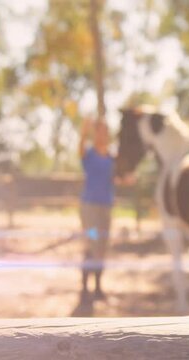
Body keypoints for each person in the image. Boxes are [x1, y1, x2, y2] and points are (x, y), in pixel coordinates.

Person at [79, 119, 114, 300]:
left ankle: (98, 288)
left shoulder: (111, 157)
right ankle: (85, 289)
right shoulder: (89, 154)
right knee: (91, 244)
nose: (103, 135)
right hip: (90, 209)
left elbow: (114, 179)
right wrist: (83, 133)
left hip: (105, 208)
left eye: (105, 131)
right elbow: (80, 150)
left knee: (102, 247)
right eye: (99, 131)